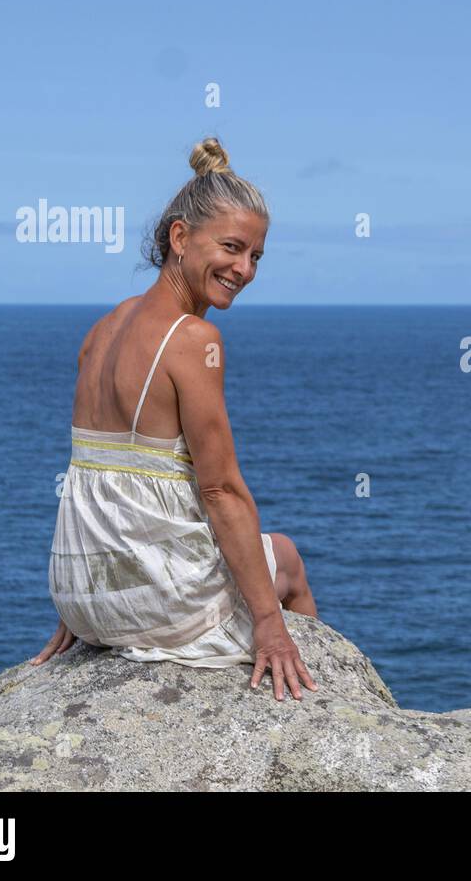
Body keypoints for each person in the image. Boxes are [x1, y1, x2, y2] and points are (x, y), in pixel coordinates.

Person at [31, 136, 318, 703]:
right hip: (153, 599)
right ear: (180, 237)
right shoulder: (193, 340)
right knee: (284, 556)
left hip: (79, 596)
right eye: (233, 248)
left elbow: (100, 476)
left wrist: (91, 590)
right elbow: (219, 490)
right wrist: (267, 621)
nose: (245, 269)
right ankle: (314, 700)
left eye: (256, 256)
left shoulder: (103, 328)